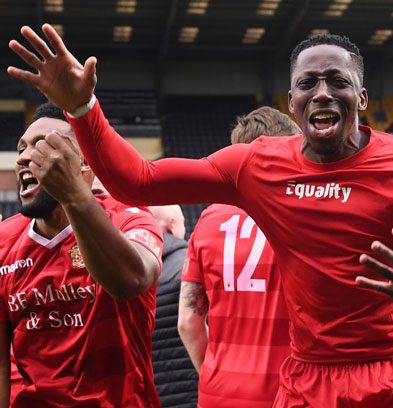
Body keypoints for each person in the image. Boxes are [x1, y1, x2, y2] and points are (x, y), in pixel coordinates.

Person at [8, 26, 393, 407]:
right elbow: (139, 181)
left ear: (363, 97)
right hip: (309, 379)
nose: (323, 93)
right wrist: (82, 108)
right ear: (291, 102)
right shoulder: (257, 164)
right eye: (308, 84)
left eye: (338, 82)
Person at [0, 102, 163, 407]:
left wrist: (73, 194)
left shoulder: (129, 220)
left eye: (42, 146)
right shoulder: (3, 243)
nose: (23, 157)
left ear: (84, 163)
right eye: (22, 148)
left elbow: (134, 279)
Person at [178, 106, 299, 407]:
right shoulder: (302, 215)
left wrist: (217, 372)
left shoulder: (209, 219)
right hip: (290, 392)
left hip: (218, 392)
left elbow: (188, 322)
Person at [148, 205, 198, 407]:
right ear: (171, 225)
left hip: (149, 395)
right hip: (193, 394)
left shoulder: (124, 274)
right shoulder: (189, 265)